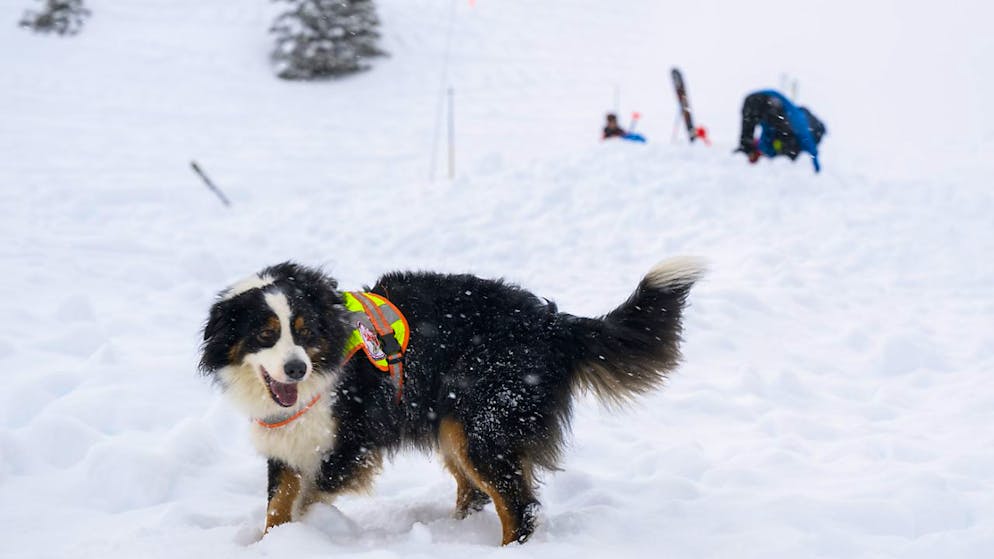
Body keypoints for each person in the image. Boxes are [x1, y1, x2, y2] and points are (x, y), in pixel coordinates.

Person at [735, 90, 826, 172]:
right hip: (767, 101)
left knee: (755, 134)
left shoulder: (779, 129)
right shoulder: (798, 120)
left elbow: (767, 137)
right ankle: (744, 152)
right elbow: (809, 143)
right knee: (784, 144)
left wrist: (758, 150)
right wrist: (816, 168)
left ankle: (742, 154)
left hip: (762, 104)